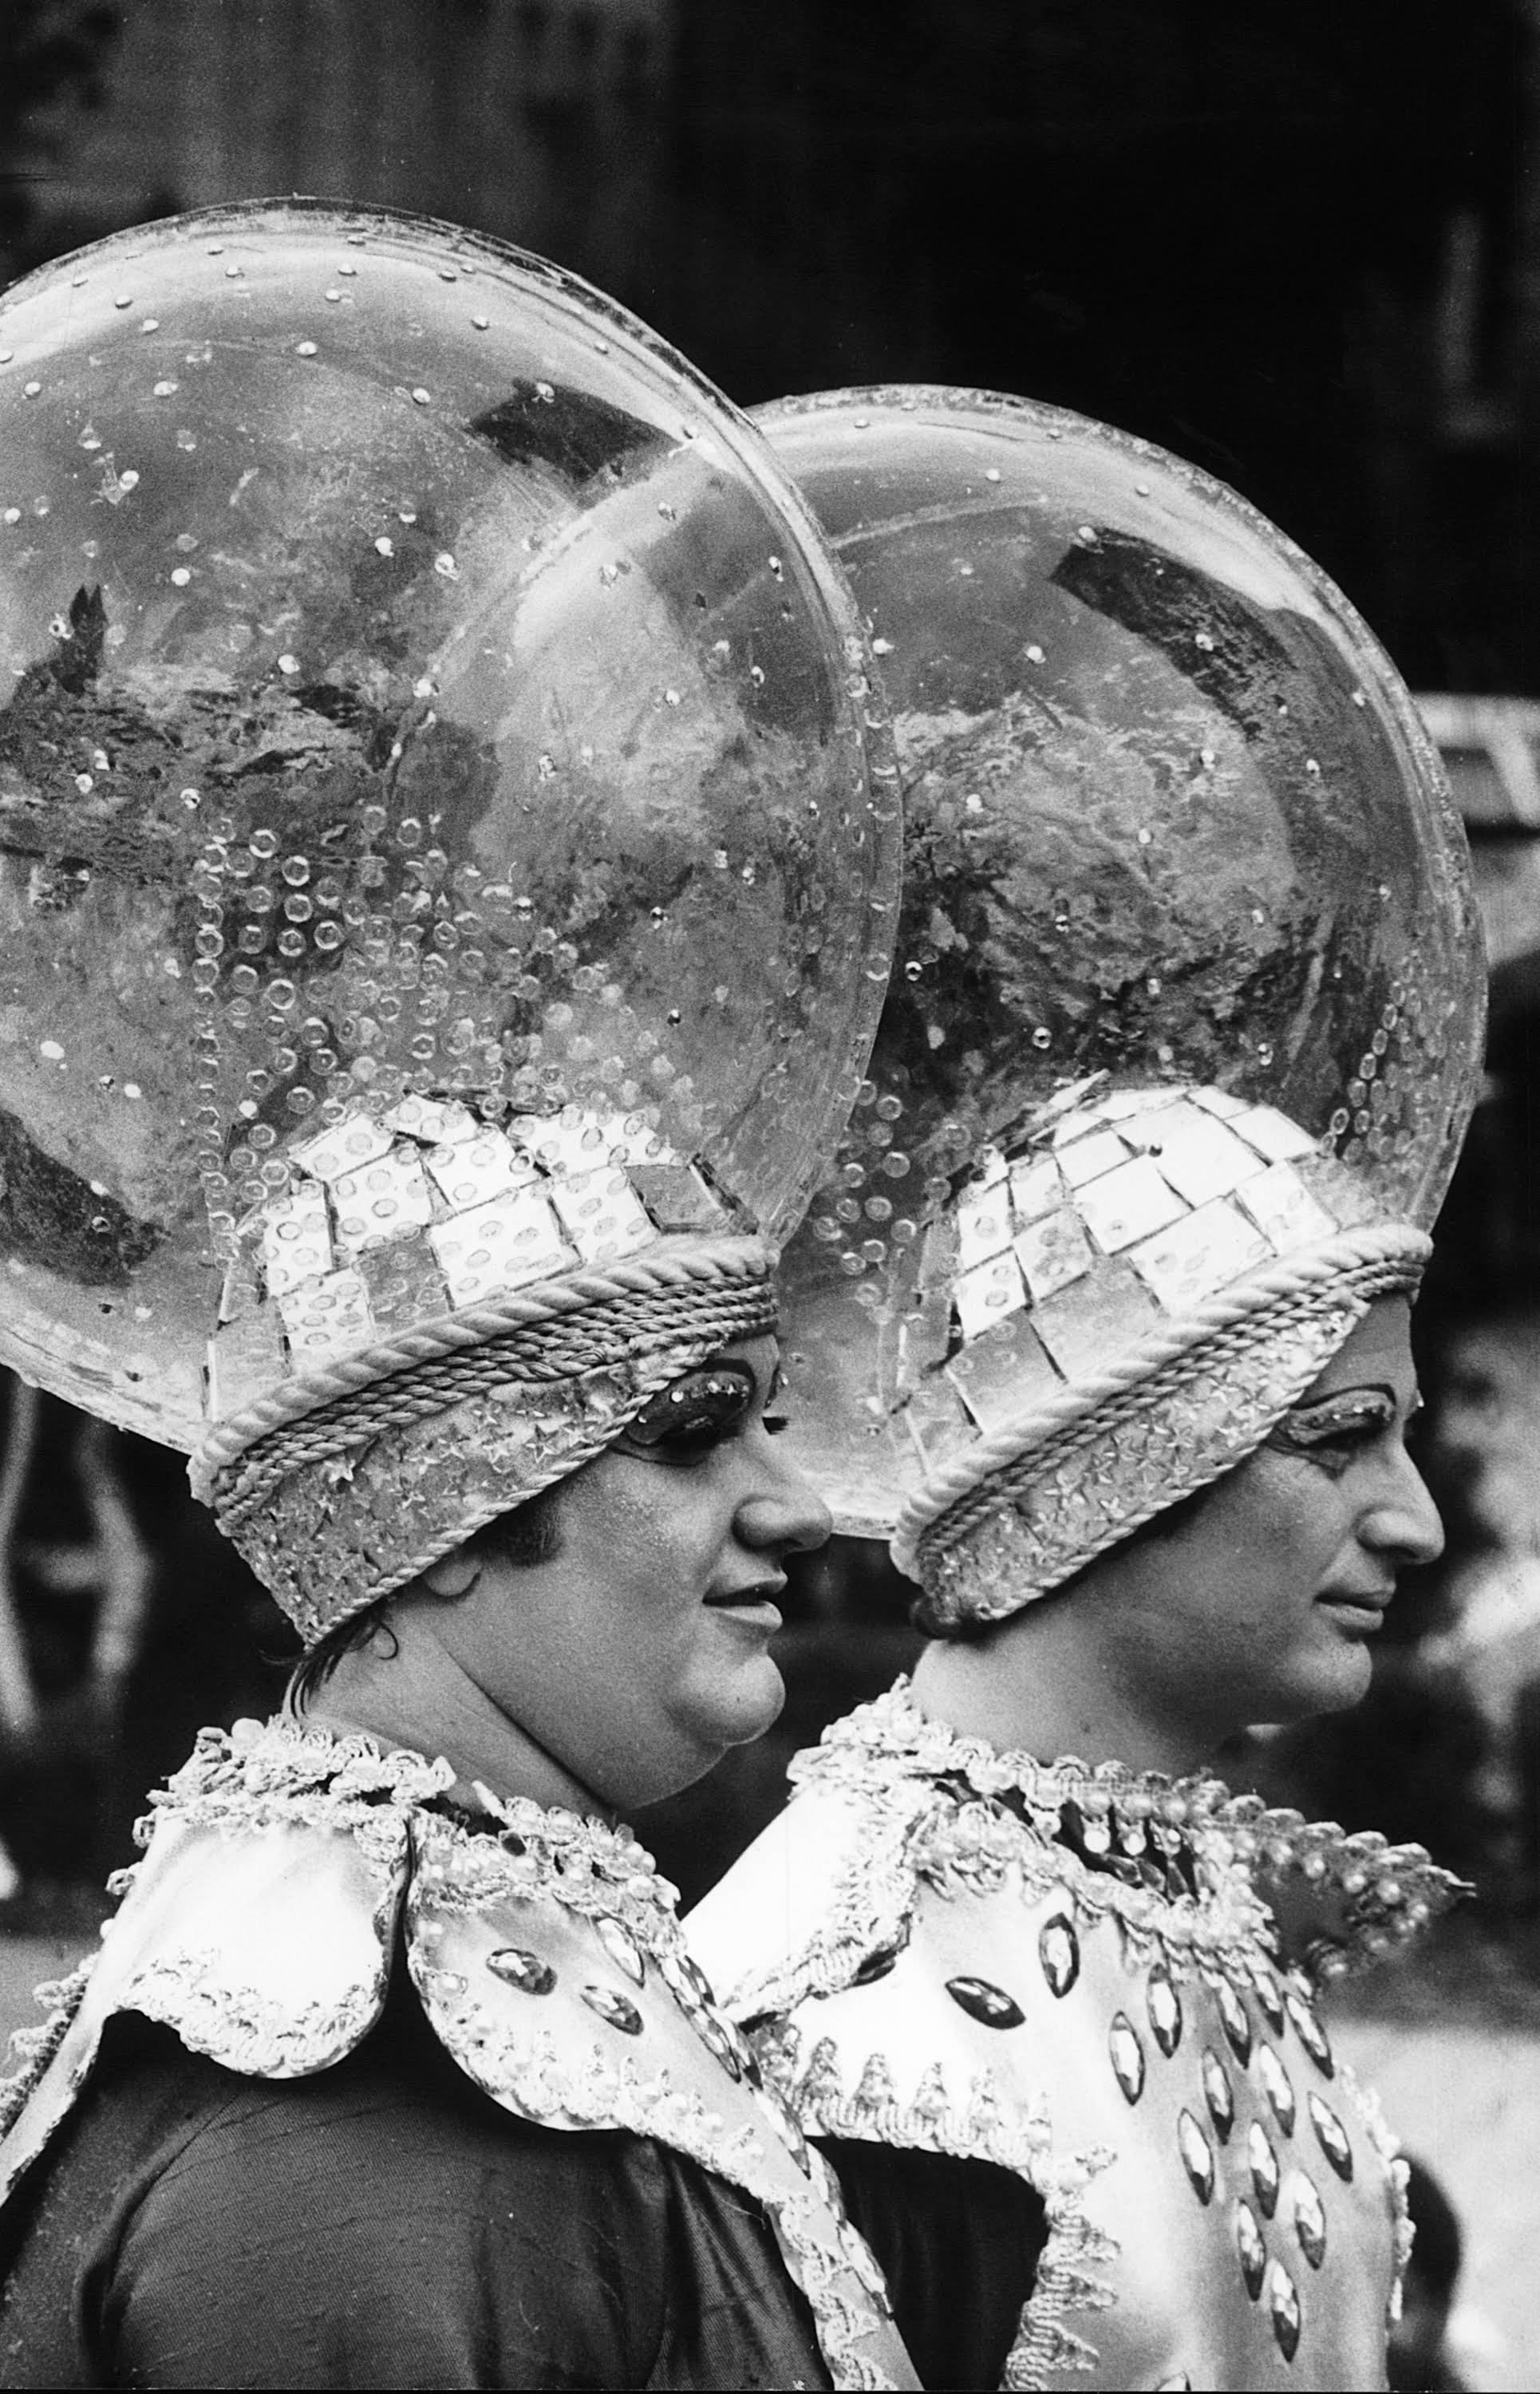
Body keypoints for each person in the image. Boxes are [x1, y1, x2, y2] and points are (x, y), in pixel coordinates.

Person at [0, 207, 916, 2388]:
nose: (795, 1504)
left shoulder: (481, 2001)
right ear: (439, 1504)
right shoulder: (363, 2123)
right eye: (696, 1431)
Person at [689, 387, 1487, 2392]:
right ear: (1123, 1462)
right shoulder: (857, 2012)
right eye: (1337, 1439)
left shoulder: (1168, 1883)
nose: (1415, 1521)